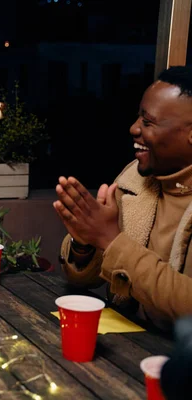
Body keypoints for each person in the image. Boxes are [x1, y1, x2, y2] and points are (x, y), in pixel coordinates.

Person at [53, 65, 192, 329]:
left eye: (148, 122)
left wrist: (109, 238)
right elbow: (86, 281)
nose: (133, 129)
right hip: (125, 347)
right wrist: (85, 246)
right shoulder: (134, 180)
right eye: (138, 118)